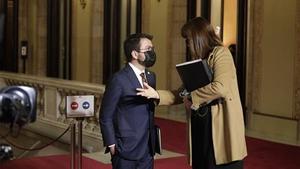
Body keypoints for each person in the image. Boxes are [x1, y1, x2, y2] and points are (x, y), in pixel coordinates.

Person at [137, 17, 247, 169]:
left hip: (219, 125)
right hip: (201, 124)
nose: (187, 45)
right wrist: (156, 94)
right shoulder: (200, 60)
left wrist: (191, 96)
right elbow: (181, 92)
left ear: (198, 38)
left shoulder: (222, 53)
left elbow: (220, 87)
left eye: (188, 40)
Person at [99, 33, 159, 169]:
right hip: (125, 148)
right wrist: (112, 145)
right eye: (148, 49)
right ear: (135, 54)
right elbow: (105, 115)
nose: (152, 52)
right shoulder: (119, 79)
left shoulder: (151, 77)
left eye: (153, 49)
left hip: (148, 148)